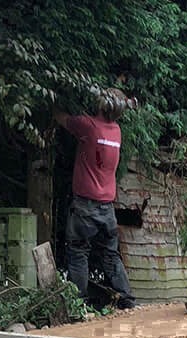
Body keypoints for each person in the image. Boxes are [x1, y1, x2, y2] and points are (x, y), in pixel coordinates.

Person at [54, 89, 136, 309]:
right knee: (110, 254)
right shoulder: (116, 131)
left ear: (101, 104)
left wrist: (54, 102)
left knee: (78, 252)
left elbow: (62, 118)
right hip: (107, 207)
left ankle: (77, 304)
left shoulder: (88, 126)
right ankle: (127, 300)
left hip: (85, 205)